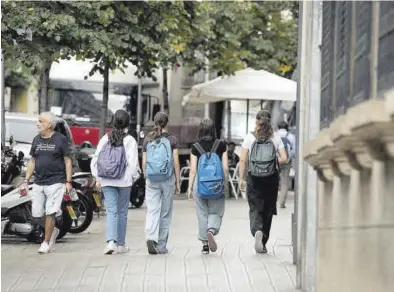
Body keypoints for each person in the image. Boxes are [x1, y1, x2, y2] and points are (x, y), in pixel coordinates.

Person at [19, 112, 73, 254]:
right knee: (36, 214)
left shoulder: (60, 139)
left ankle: (46, 242)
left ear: (49, 124)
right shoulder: (37, 139)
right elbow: (32, 161)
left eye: (40, 121)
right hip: (38, 181)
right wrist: (26, 180)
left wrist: (68, 181)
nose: (37, 123)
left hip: (56, 181)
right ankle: (53, 227)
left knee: (50, 212)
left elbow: (67, 160)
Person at [90, 109, 139, 255]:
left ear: (112, 122)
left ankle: (111, 242)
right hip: (124, 181)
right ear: (127, 123)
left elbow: (96, 159)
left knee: (111, 211)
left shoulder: (105, 138)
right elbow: (132, 164)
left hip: (106, 179)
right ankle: (121, 245)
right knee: (122, 212)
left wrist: (97, 177)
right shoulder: (130, 140)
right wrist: (133, 178)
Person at [239, 110, 287, 254]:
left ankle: (257, 231)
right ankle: (263, 240)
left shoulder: (249, 137)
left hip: (254, 178)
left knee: (255, 207)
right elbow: (284, 158)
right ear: (270, 121)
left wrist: (241, 179)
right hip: (271, 178)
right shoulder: (275, 137)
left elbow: (242, 159)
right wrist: (273, 161)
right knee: (268, 210)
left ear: (256, 121)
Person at [187, 118, 228, 254]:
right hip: (216, 183)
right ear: (214, 130)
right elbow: (226, 168)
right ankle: (211, 230)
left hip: (200, 183)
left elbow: (193, 170)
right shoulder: (221, 145)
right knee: (216, 211)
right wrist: (225, 184)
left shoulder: (195, 147)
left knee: (202, 213)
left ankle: (205, 244)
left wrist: (189, 188)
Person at [142, 112, 181, 255]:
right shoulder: (172, 140)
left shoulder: (148, 139)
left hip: (152, 178)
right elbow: (176, 163)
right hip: (167, 178)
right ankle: (161, 245)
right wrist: (177, 182)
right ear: (167, 123)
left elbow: (144, 162)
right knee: (165, 212)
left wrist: (146, 176)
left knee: (152, 210)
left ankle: (150, 237)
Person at [276, 121, 296, 208]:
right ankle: (281, 203)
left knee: (272, 181)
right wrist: (288, 159)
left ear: (278, 127)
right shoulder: (291, 137)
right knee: (284, 182)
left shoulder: (273, 135)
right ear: (287, 127)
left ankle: (271, 202)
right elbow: (294, 151)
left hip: (275, 161)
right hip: (287, 162)